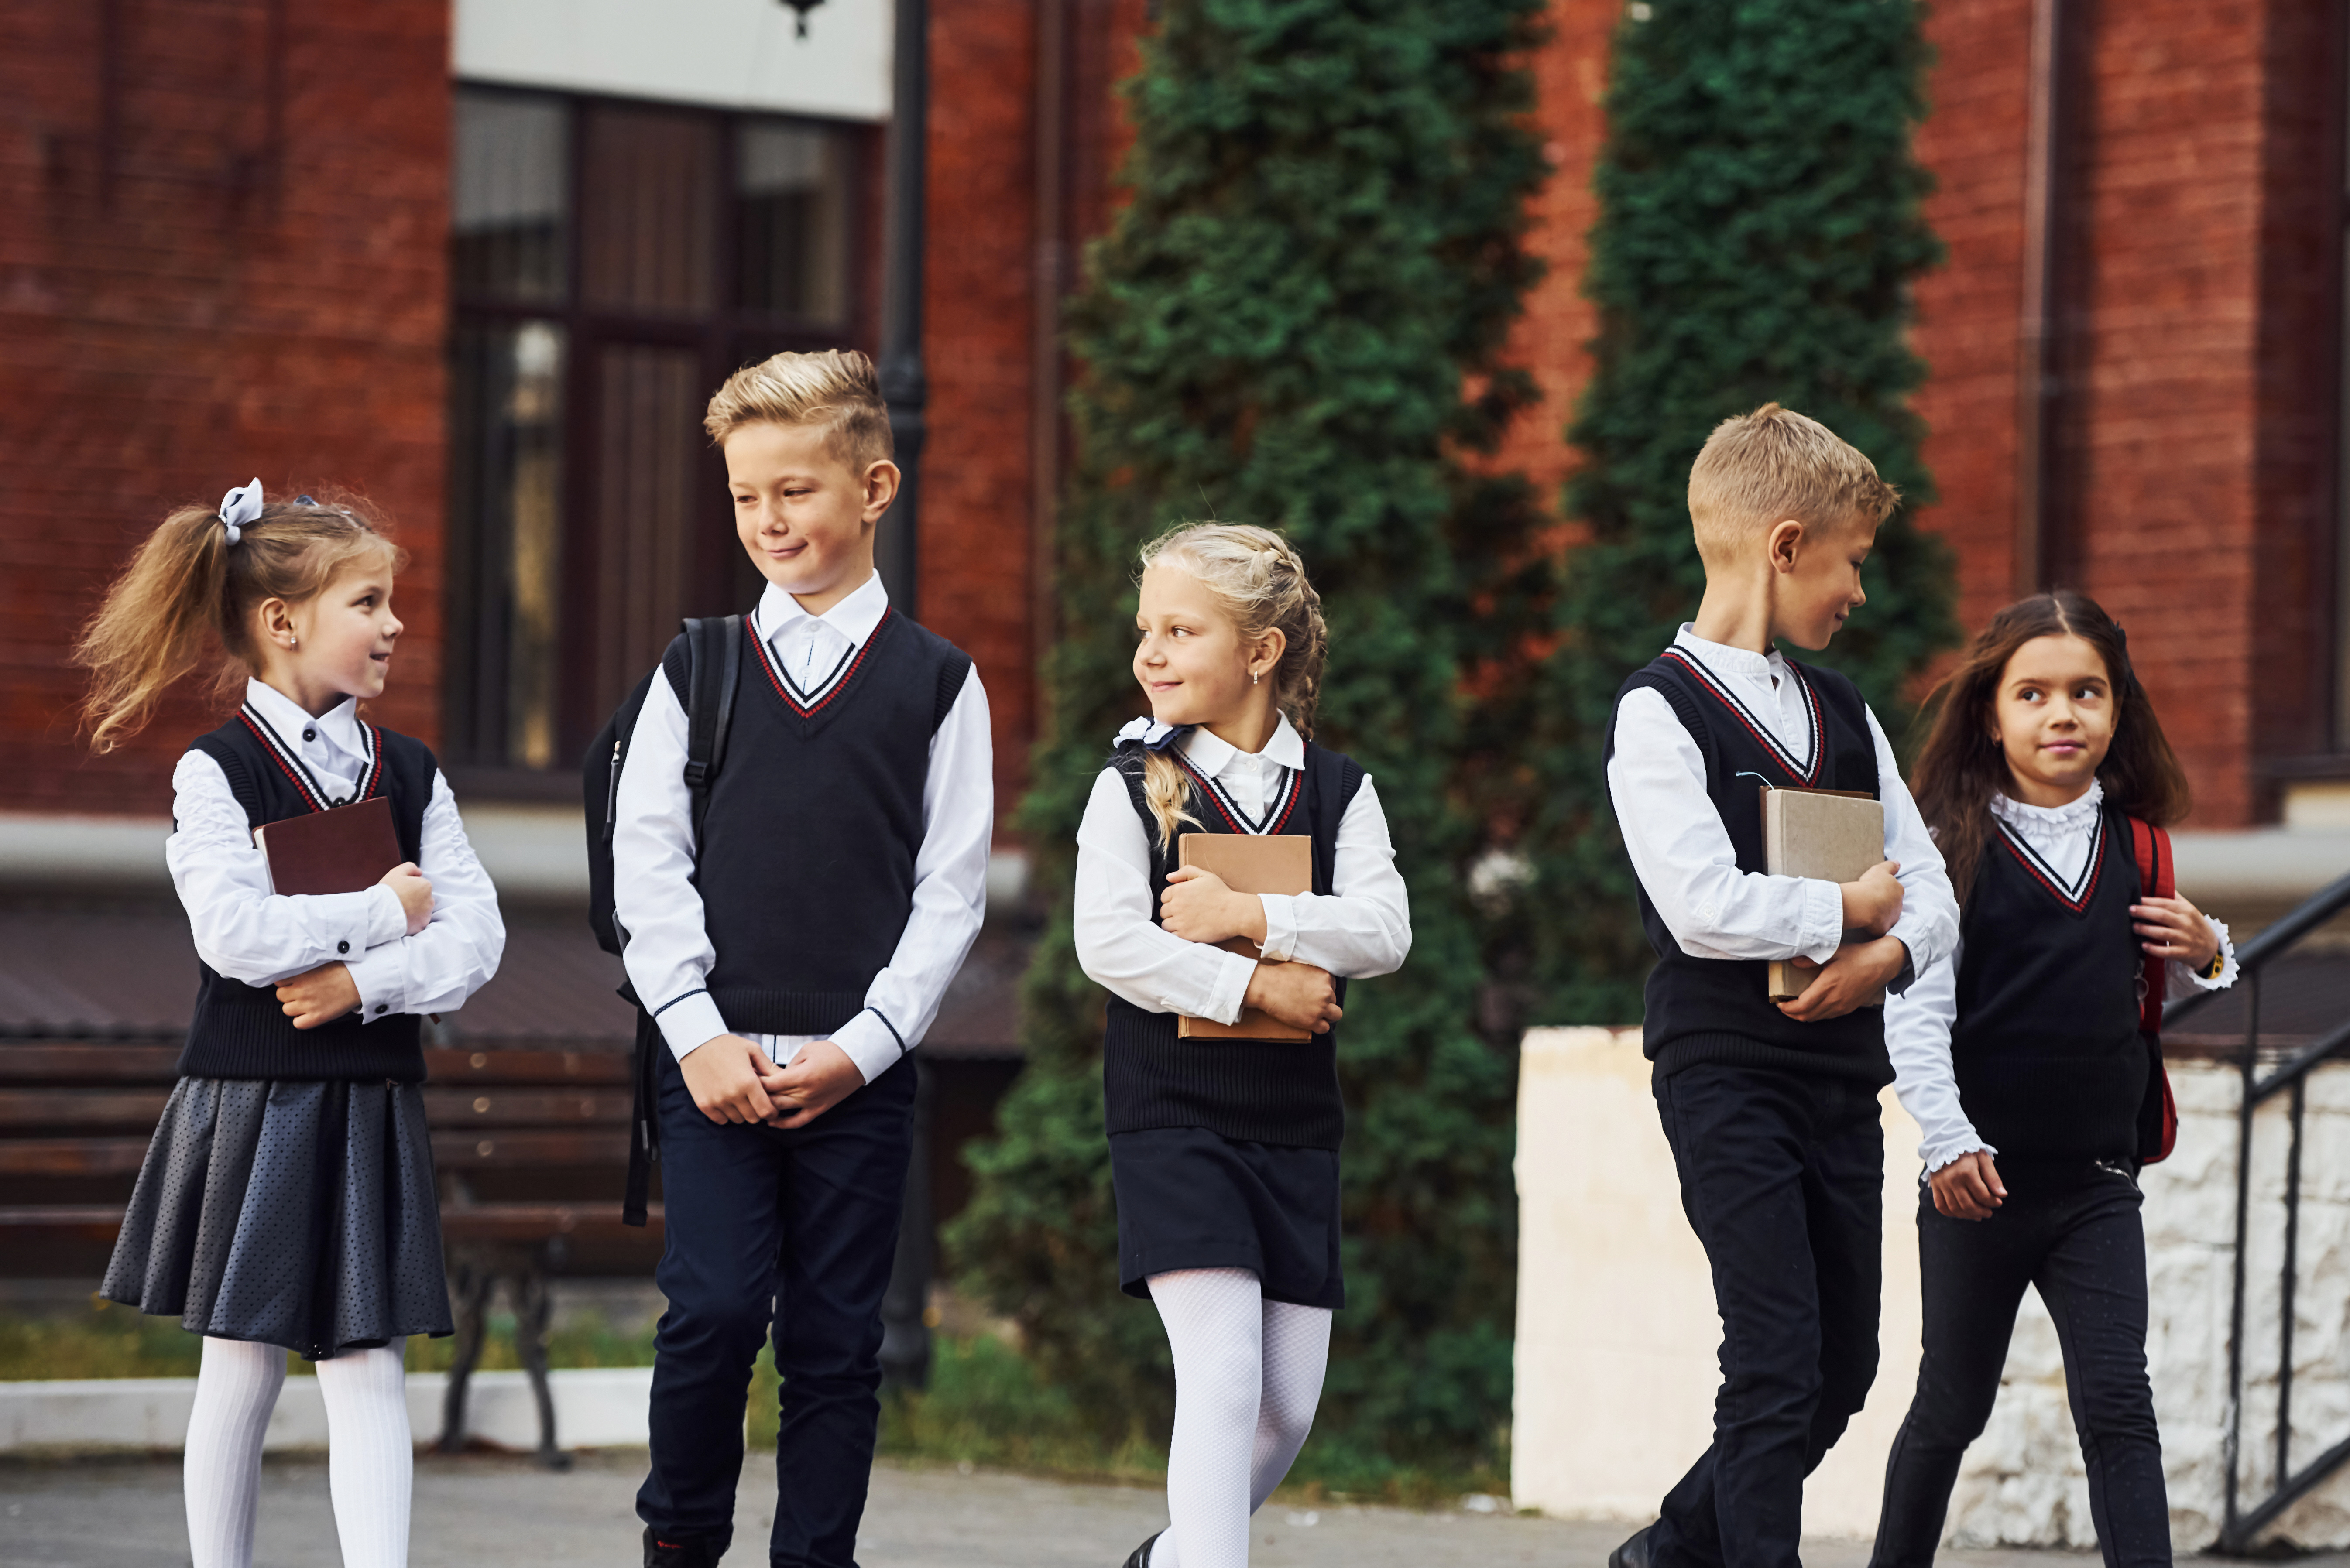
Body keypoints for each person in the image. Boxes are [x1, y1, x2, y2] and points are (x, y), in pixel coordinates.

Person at [614, 349, 993, 1568]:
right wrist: (696, 1034)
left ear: (875, 487)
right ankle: (680, 1541)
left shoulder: (941, 684)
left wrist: (867, 1047)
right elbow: (647, 867)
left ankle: (815, 1558)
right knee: (715, 1310)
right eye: (745, 496)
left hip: (858, 1073)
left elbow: (952, 894)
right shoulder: (699, 667)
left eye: (797, 490)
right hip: (709, 1057)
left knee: (837, 1343)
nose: (769, 520)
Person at [80, 481, 506, 1568]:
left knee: (368, 1363)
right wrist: (383, 913)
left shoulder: (412, 773)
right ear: (284, 622)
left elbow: (479, 943)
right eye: (368, 602)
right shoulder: (214, 770)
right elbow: (232, 934)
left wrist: (360, 988)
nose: (394, 624)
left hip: (368, 1096)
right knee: (244, 1361)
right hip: (254, 1099)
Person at [1603, 405, 1960, 1568]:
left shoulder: (1842, 712)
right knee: (1772, 1359)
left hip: (1836, 1079)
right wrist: (1842, 909)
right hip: (1724, 1073)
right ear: (1786, 544)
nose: (1859, 590)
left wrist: (1882, 957)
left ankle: (1669, 1549)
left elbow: (1934, 894)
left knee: (1842, 1365)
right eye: (1853, 560)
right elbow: (1699, 905)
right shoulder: (1658, 712)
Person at [1869, 592, 2231, 1568]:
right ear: (1991, 712)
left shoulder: (2139, 847)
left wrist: (2208, 948)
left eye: (2085, 692)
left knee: (2118, 1407)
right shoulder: (1947, 849)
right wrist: (1945, 1142)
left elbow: (2176, 966)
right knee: (1949, 1407)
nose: (2060, 713)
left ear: (2117, 710)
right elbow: (1915, 1011)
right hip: (1976, 1186)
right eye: (2032, 694)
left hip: (2095, 1187)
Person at [1077, 523, 1412, 1568]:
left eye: (1182, 630)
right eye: (1147, 630)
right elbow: (1107, 944)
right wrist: (1253, 983)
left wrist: (1253, 917)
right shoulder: (1127, 783)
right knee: (1220, 1382)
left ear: (1260, 652)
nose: (1152, 654)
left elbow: (1385, 931)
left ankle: (1169, 1560)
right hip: (1171, 1113)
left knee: (1281, 1415)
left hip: (1294, 1123)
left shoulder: (1339, 789)